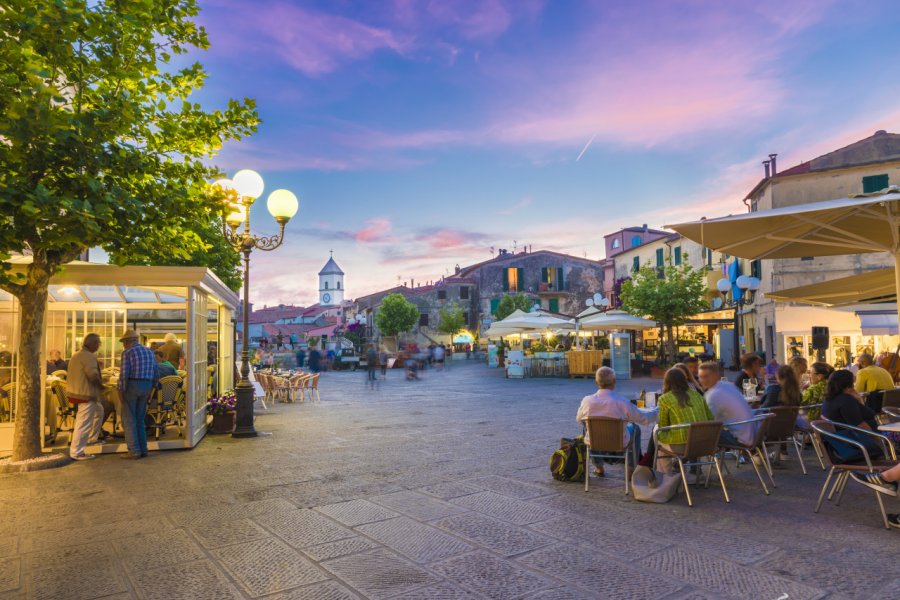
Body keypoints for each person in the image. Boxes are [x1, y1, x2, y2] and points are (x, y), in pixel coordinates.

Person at [576, 367, 657, 477]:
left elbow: (578, 419)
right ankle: (630, 469)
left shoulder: (587, 401)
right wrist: (657, 410)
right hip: (619, 441)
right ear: (614, 382)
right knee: (635, 429)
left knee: (587, 425)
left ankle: (599, 467)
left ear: (596, 382)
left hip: (595, 441)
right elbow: (643, 419)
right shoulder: (622, 402)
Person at [656, 367, 715, 472]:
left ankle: (666, 475)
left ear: (666, 382)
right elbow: (711, 418)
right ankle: (695, 473)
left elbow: (662, 426)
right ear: (684, 380)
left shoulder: (664, 399)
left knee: (656, 434)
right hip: (704, 444)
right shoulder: (697, 395)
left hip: (682, 446)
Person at [117, 330, 159, 459]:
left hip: (132, 385)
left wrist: (120, 390)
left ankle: (134, 451)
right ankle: (143, 449)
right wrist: (152, 388)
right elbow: (155, 372)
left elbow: (124, 374)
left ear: (127, 342)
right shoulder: (149, 352)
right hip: (146, 385)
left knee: (129, 419)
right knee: (140, 419)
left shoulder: (127, 352)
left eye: (124, 342)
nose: (123, 345)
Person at [698, 361, 755, 447]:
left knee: (699, 433)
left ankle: (689, 459)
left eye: (706, 377)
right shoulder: (729, 386)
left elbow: (707, 422)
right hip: (753, 434)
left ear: (716, 376)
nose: (703, 380)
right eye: (700, 377)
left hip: (740, 439)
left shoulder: (713, 394)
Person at [67, 333, 104, 460]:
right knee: (83, 422)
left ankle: (92, 438)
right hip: (86, 394)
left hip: (76, 392)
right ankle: (77, 451)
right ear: (93, 343)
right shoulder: (88, 356)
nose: (99, 346)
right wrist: (101, 386)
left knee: (99, 411)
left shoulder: (78, 354)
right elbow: (92, 375)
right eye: (98, 343)